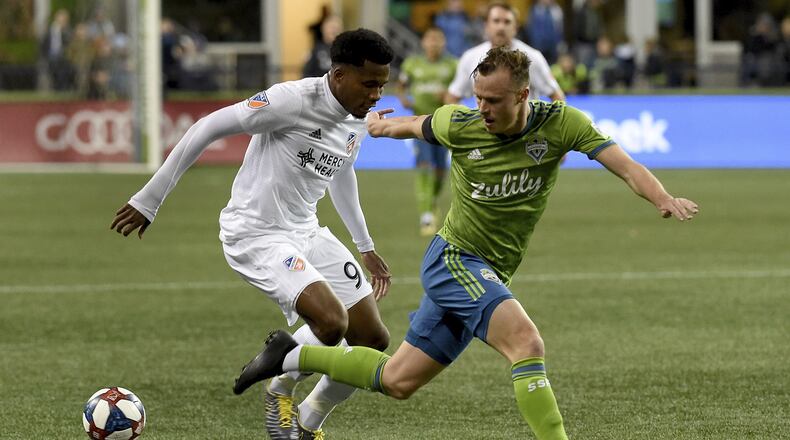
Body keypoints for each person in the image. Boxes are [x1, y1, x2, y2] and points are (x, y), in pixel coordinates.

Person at [232, 47, 700, 439]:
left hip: (491, 270)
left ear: (523, 94)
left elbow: (624, 164)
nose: (484, 109)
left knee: (397, 380)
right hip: (454, 260)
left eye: (494, 100)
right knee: (526, 343)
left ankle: (289, 354)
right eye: (478, 98)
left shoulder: (561, 125)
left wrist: (662, 197)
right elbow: (410, 125)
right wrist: (376, 125)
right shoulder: (461, 123)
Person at [111, 29, 395, 440]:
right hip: (257, 234)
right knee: (331, 324)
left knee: (371, 339)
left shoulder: (355, 120)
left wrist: (365, 246)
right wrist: (149, 199)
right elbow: (208, 126)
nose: (376, 95)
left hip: (308, 230)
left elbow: (341, 173)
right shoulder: (290, 100)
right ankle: (278, 383)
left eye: (382, 85)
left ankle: (307, 423)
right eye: (369, 84)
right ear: (338, 75)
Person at [397, 27, 458, 236]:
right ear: (423, 43)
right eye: (430, 40)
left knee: (441, 169)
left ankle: (431, 202)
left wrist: (449, 96)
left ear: (443, 43)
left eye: (438, 40)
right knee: (424, 165)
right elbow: (401, 85)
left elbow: (460, 90)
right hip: (419, 122)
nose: (433, 44)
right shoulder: (413, 64)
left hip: (443, 122)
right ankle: (425, 215)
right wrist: (403, 99)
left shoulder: (452, 65)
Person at [445, 2, 565, 104]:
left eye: (507, 22)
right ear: (486, 26)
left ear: (515, 28)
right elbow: (452, 97)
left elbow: (557, 97)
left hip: (525, 130)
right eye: (496, 21)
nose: (501, 27)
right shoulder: (470, 57)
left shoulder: (533, 57)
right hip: (484, 129)